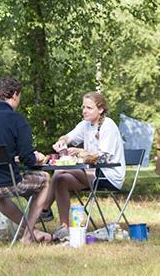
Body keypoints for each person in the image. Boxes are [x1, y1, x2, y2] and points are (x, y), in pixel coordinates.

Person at [0, 77, 54, 244]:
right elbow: (28, 159)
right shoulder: (17, 119)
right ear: (15, 95)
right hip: (6, 183)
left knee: (3, 198)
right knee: (45, 179)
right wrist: (36, 158)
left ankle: (32, 231)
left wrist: (12, 157)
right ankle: (28, 236)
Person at [49, 90, 126, 241]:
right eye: (83, 107)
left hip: (109, 176)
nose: (84, 111)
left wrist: (79, 153)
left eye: (89, 108)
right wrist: (62, 142)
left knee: (61, 169)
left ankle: (43, 209)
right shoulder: (85, 125)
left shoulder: (108, 126)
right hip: (91, 174)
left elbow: (102, 157)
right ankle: (64, 228)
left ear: (101, 109)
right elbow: (68, 136)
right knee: (60, 179)